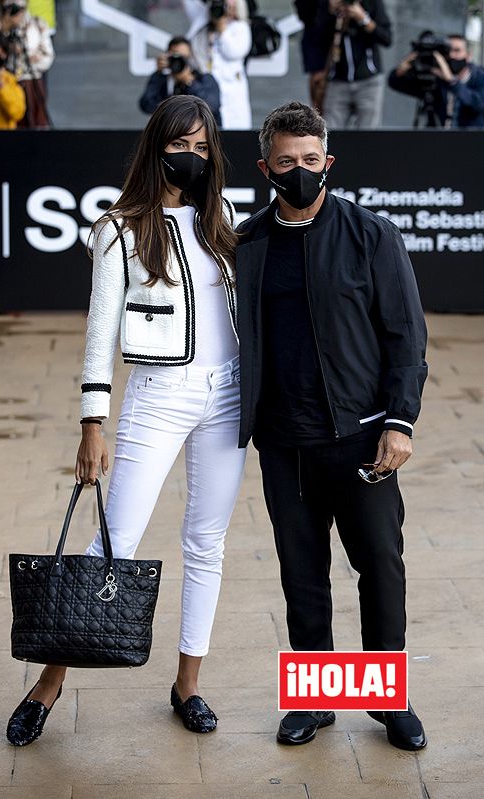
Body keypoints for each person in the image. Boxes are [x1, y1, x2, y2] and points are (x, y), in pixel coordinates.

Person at [6, 95, 246, 746]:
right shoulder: (118, 227)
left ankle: (187, 684)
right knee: (114, 542)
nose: (191, 158)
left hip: (225, 398)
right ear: (156, 147)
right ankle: (48, 683)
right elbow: (99, 331)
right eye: (180, 146)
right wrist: (93, 421)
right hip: (156, 395)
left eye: (202, 148)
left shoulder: (221, 216)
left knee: (206, 544)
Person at [235, 101, 428, 751]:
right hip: (283, 442)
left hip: (361, 438)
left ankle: (385, 698)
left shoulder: (371, 235)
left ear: (328, 163)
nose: (299, 172)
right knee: (301, 572)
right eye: (285, 162)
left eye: (310, 161)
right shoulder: (247, 241)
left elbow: (405, 337)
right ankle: (314, 701)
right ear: (265, 167)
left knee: (379, 565)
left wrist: (397, 423)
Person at [300, 0, 392, 128]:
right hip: (336, 80)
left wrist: (363, 18)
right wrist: (330, 12)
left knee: (369, 133)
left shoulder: (370, 3)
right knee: (331, 131)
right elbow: (313, 37)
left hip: (368, 80)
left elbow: (386, 38)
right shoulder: (324, 5)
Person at [388, 34, 484, 128]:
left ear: (468, 55)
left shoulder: (479, 77)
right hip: (442, 140)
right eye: (447, 50)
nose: (451, 55)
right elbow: (397, 84)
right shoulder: (437, 81)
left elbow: (477, 103)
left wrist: (452, 81)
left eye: (457, 50)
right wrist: (401, 70)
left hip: (473, 140)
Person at [184, 0, 252, 129]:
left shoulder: (240, 27)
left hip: (232, 91)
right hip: (207, 87)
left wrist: (222, 28)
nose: (226, 9)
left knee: (233, 131)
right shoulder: (202, 24)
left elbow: (234, 51)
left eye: (230, 5)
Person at [0, 0, 54, 127]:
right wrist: (5, 29)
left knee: (36, 122)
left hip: (32, 82)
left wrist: (25, 55)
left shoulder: (38, 24)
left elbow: (47, 57)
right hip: (5, 82)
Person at [139, 35, 222, 125]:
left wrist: (189, 81)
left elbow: (211, 106)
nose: (180, 61)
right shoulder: (162, 81)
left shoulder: (205, 79)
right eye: (176, 57)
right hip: (171, 133)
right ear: (168, 57)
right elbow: (146, 105)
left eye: (185, 58)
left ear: (191, 58)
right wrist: (158, 74)